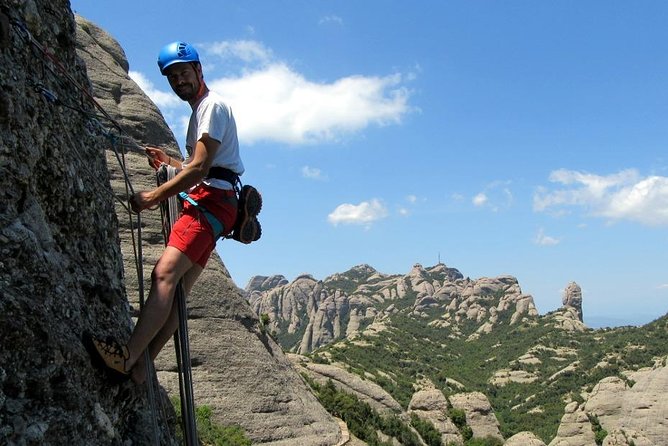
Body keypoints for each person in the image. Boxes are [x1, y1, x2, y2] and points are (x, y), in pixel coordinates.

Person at [90, 41, 260, 384]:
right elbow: (205, 165)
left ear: (199, 70)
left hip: (208, 204)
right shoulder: (202, 111)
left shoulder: (211, 107)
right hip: (220, 206)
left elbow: (199, 169)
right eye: (172, 77)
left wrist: (154, 196)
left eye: (184, 72)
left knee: (164, 275)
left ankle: (128, 356)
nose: (179, 80)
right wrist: (170, 164)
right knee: (177, 292)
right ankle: (142, 367)